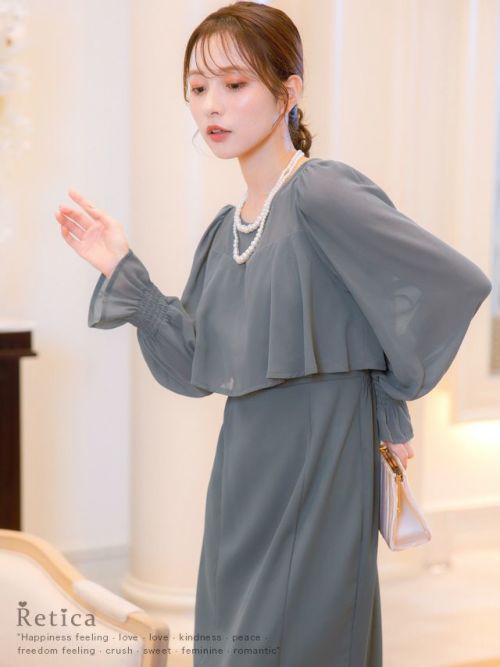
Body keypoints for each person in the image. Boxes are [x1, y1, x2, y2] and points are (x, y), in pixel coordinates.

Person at [54, 3, 492, 666]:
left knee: (301, 637)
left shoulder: (321, 191)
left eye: (235, 84)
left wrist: (388, 397)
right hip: (243, 464)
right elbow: (194, 364)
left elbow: (446, 281)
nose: (212, 105)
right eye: (198, 87)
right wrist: (121, 267)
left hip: (321, 452)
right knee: (235, 638)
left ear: (289, 92)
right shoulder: (225, 230)